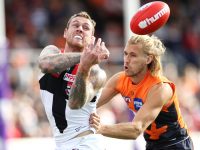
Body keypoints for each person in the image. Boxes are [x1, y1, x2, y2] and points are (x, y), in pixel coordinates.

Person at [90, 34, 194, 150]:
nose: (127, 60)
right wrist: (87, 65)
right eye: (125, 54)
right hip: (152, 145)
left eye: (133, 55)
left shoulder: (160, 88)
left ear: (148, 59)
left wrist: (100, 128)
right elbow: (90, 103)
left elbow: (136, 129)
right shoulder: (119, 80)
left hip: (176, 145)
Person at [38, 11, 109, 150]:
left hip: (86, 142)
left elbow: (75, 103)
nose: (80, 29)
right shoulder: (51, 51)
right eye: (75, 25)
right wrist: (84, 56)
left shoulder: (96, 73)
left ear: (91, 38)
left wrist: (83, 67)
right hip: (62, 144)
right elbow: (45, 65)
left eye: (86, 28)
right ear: (65, 32)